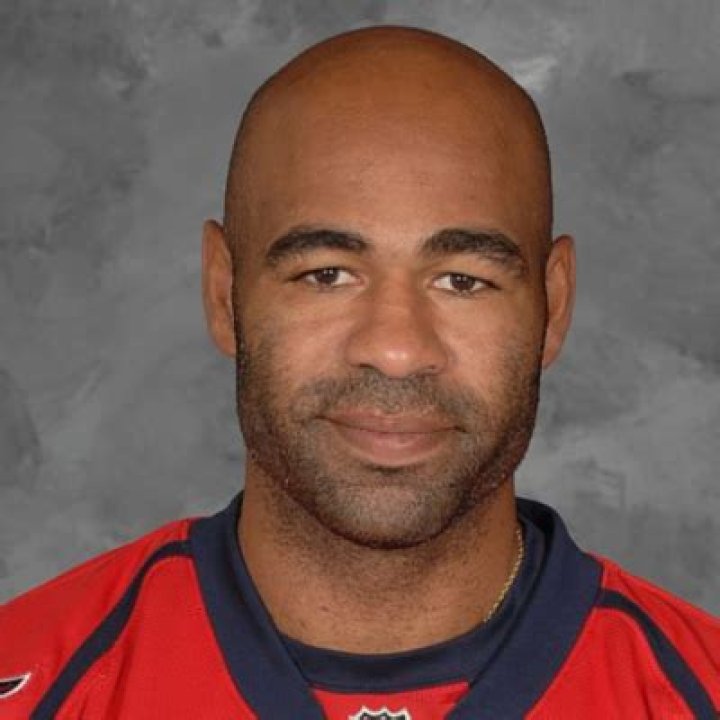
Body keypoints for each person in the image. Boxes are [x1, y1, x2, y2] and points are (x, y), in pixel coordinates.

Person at [1, 25, 718, 720]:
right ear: (224, 293)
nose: (396, 349)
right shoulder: (38, 679)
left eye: (463, 280)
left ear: (553, 308)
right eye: (327, 274)